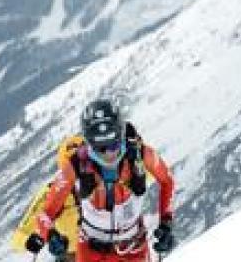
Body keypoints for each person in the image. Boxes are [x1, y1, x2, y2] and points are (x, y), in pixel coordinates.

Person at [25, 99, 175, 261]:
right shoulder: (76, 165)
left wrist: (166, 223)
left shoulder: (140, 154)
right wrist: (50, 234)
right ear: (88, 143)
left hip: (133, 249)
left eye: (114, 145)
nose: (109, 154)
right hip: (93, 250)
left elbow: (167, 181)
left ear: (121, 135)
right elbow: (46, 212)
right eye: (100, 148)